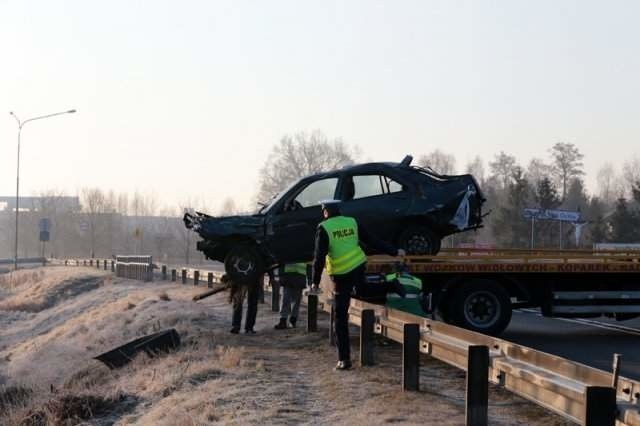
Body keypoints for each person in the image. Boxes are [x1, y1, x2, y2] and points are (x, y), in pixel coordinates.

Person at [311, 200, 406, 371]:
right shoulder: (351, 222)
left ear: (325, 212)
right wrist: (394, 251)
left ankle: (344, 360)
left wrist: (314, 282)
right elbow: (372, 240)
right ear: (339, 210)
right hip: (358, 265)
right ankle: (390, 285)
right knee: (363, 289)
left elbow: (319, 257)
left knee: (340, 317)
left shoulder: (323, 227)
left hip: (341, 275)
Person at [274, 263, 308, 329]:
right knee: (287, 299)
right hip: (294, 276)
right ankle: (285, 321)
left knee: (291, 300)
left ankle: (289, 320)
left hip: (295, 276)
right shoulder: (305, 252)